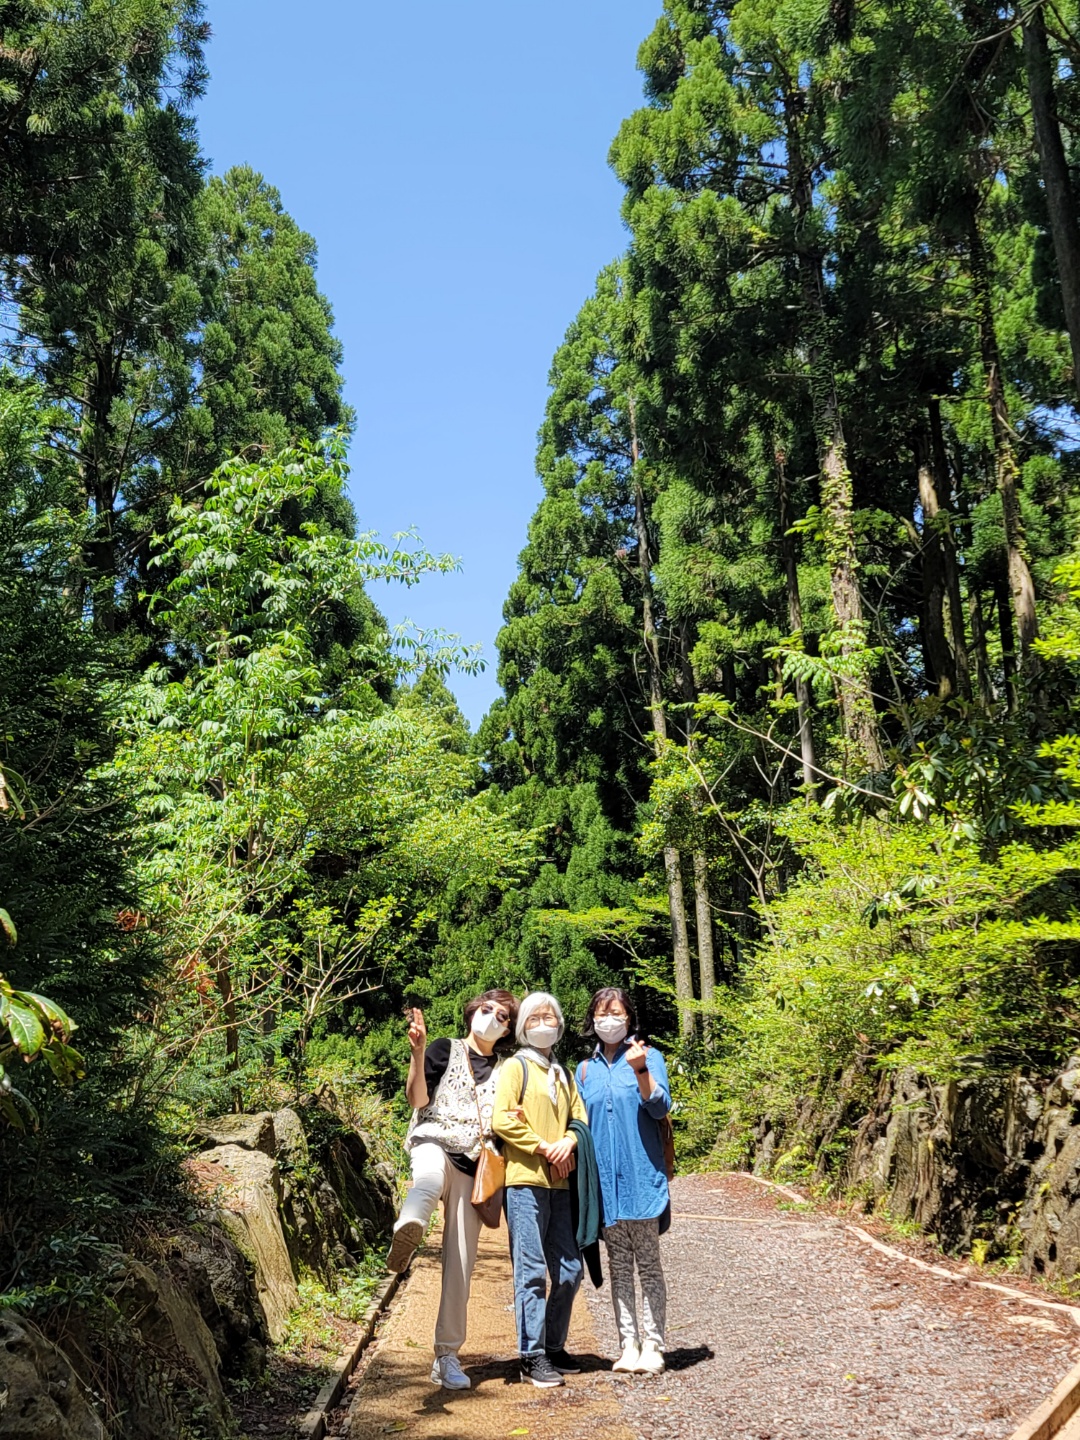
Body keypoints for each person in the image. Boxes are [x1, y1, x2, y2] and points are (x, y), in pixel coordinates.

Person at [388, 989, 518, 1391]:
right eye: (486, 1009)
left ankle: (447, 1355)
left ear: (508, 1030)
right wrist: (418, 1052)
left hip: (474, 1166)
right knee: (427, 1179)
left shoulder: (508, 1071)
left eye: (501, 1016)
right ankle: (409, 1225)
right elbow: (417, 1099)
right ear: (472, 1011)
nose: (491, 1017)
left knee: (461, 1264)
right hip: (433, 1141)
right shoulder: (444, 1049)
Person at [492, 991, 587, 1389]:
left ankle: (552, 1344)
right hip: (525, 1182)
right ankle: (531, 1355)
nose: (543, 1024)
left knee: (570, 1270)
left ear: (559, 1025)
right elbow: (501, 1119)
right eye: (534, 1019)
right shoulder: (516, 1067)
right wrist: (545, 1147)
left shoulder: (563, 1074)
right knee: (531, 1271)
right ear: (522, 1027)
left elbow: (579, 1118)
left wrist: (568, 1142)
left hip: (561, 1184)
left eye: (549, 1017)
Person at [576, 986, 671, 1376]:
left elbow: (660, 1106)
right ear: (592, 1020)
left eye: (616, 1013)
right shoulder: (585, 1070)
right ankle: (627, 1344)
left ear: (629, 1018)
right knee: (618, 1267)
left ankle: (654, 1345)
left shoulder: (649, 1056)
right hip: (605, 1185)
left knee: (648, 1265)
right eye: (601, 1014)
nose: (608, 1020)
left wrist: (641, 1070)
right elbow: (578, 1122)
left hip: (641, 1179)